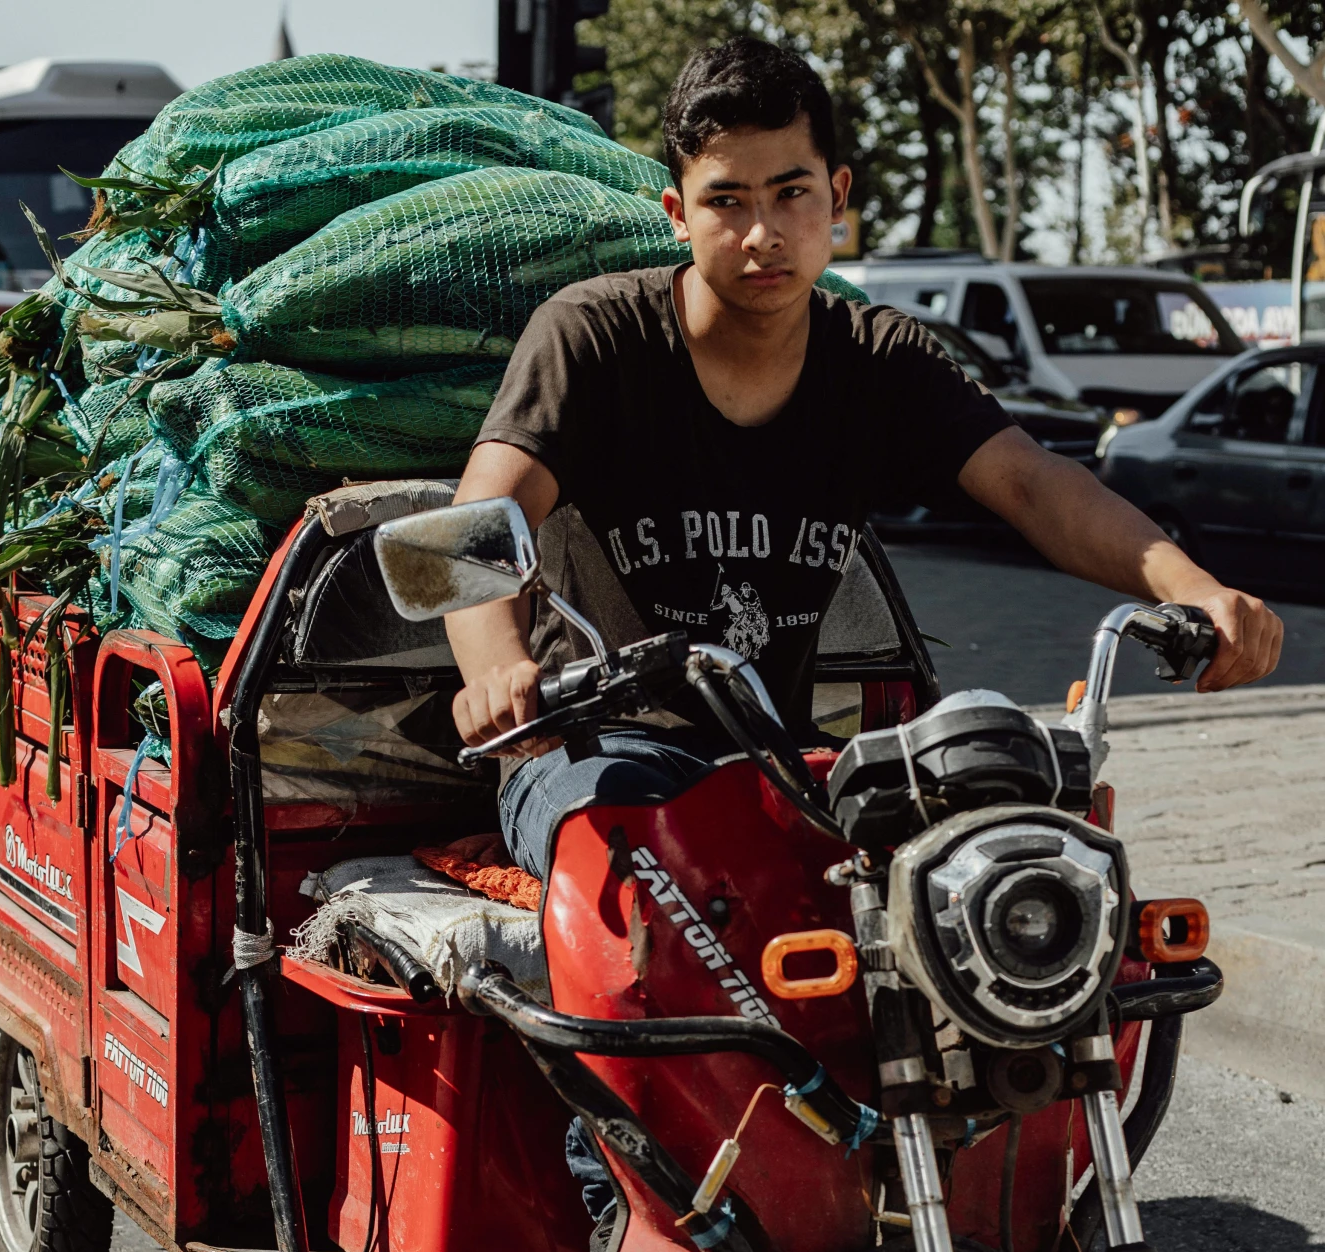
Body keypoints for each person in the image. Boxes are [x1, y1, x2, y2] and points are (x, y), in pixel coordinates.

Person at [444, 34, 1283, 883]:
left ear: (836, 195)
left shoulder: (880, 361)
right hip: (595, 752)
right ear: (676, 214)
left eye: (790, 192)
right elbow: (484, 519)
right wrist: (496, 672)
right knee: (628, 883)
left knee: (1005, 869)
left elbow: (1034, 485)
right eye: (725, 201)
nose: (761, 233)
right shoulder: (593, 337)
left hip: (781, 754)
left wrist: (1195, 589)